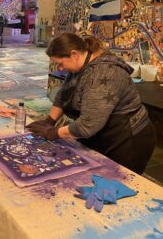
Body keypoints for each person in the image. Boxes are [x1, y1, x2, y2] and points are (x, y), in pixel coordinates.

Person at [27, 33, 156, 175]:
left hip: (129, 138)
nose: (60, 68)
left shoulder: (102, 74)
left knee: (116, 180)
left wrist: (54, 132)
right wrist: (49, 121)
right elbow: (63, 95)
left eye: (60, 63)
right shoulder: (79, 66)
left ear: (74, 54)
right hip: (102, 130)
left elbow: (88, 125)